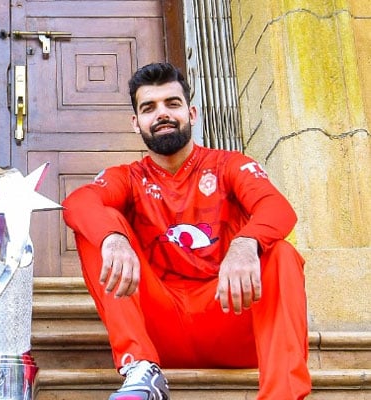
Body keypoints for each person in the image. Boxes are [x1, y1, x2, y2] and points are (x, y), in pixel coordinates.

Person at [62, 62, 311, 400]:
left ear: (192, 112)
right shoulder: (130, 177)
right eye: (149, 108)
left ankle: (282, 396)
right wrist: (113, 237)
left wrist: (245, 244)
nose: (162, 114)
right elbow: (78, 201)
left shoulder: (229, 164)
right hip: (160, 331)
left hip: (230, 317)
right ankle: (141, 369)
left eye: (172, 103)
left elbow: (278, 209)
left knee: (281, 253)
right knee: (98, 225)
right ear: (136, 123)